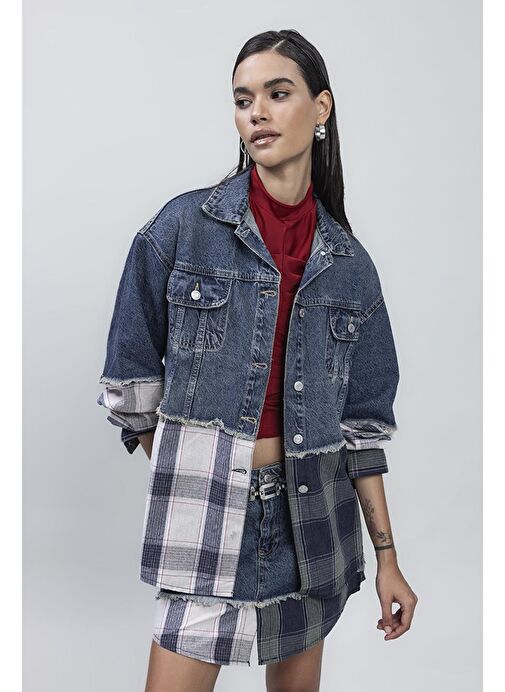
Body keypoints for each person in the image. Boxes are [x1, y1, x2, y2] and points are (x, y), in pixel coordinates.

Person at [97, 28, 418, 692]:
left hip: (313, 522)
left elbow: (362, 430)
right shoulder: (181, 229)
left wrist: (388, 559)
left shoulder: (350, 266)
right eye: (243, 100)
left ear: (321, 107)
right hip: (209, 517)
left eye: (277, 94)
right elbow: (130, 382)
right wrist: (194, 478)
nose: (257, 113)